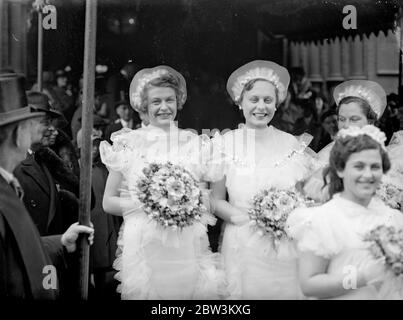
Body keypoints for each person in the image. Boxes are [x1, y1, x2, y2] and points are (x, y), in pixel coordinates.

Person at [100, 65, 224, 299]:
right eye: (156, 102)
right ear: (144, 106)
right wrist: (151, 204)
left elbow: (212, 197)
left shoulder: (195, 143)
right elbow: (108, 202)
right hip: (145, 246)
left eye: (170, 100)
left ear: (178, 102)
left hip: (185, 245)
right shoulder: (128, 144)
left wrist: (188, 204)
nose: (164, 107)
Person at [209, 60, 317, 299]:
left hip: (285, 247)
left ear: (276, 104)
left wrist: (288, 219)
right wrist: (251, 220)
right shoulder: (224, 144)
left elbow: (305, 197)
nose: (261, 106)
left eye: (268, 100)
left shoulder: (291, 144)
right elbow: (215, 200)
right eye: (254, 99)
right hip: (242, 243)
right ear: (240, 102)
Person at [0, 71, 94, 299]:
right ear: (18, 132)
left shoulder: (9, 183)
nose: (41, 129)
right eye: (31, 124)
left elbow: (18, 248)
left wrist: (61, 242)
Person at [287, 125, 403, 299]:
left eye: (375, 167)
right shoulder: (322, 219)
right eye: (359, 166)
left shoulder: (394, 218)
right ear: (341, 169)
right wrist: (363, 277)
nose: (368, 174)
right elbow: (309, 285)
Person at [303, 80, 387, 203]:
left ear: (371, 122)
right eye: (341, 119)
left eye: (354, 119)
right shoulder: (327, 154)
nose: (346, 125)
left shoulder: (380, 154)